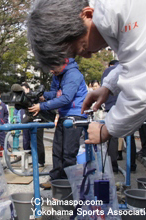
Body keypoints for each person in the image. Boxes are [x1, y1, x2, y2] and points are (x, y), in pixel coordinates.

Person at [27, 0, 146, 145]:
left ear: (88, 15)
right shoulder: (118, 15)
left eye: (83, 48)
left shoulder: (122, 10)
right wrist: (108, 87)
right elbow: (135, 59)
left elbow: (142, 87)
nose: (88, 56)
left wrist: (107, 129)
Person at [28, 58, 88, 189]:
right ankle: (55, 179)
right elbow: (56, 93)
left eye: (52, 67)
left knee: (68, 152)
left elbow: (66, 97)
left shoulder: (73, 74)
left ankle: (67, 183)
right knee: (57, 150)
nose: (51, 71)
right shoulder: (57, 74)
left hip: (75, 114)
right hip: (63, 114)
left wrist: (42, 106)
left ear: (62, 63)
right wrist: (44, 96)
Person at [101, 60, 137, 172]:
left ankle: (113, 165)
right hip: (127, 105)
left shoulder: (107, 71)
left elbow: (104, 88)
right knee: (129, 135)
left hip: (111, 105)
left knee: (112, 136)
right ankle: (131, 165)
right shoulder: (129, 68)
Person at [20, 82, 45, 167]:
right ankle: (35, 159)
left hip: (38, 120)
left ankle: (41, 161)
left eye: (24, 90)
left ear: (28, 89)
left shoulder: (35, 96)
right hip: (29, 119)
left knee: (38, 141)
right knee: (30, 141)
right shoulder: (24, 99)